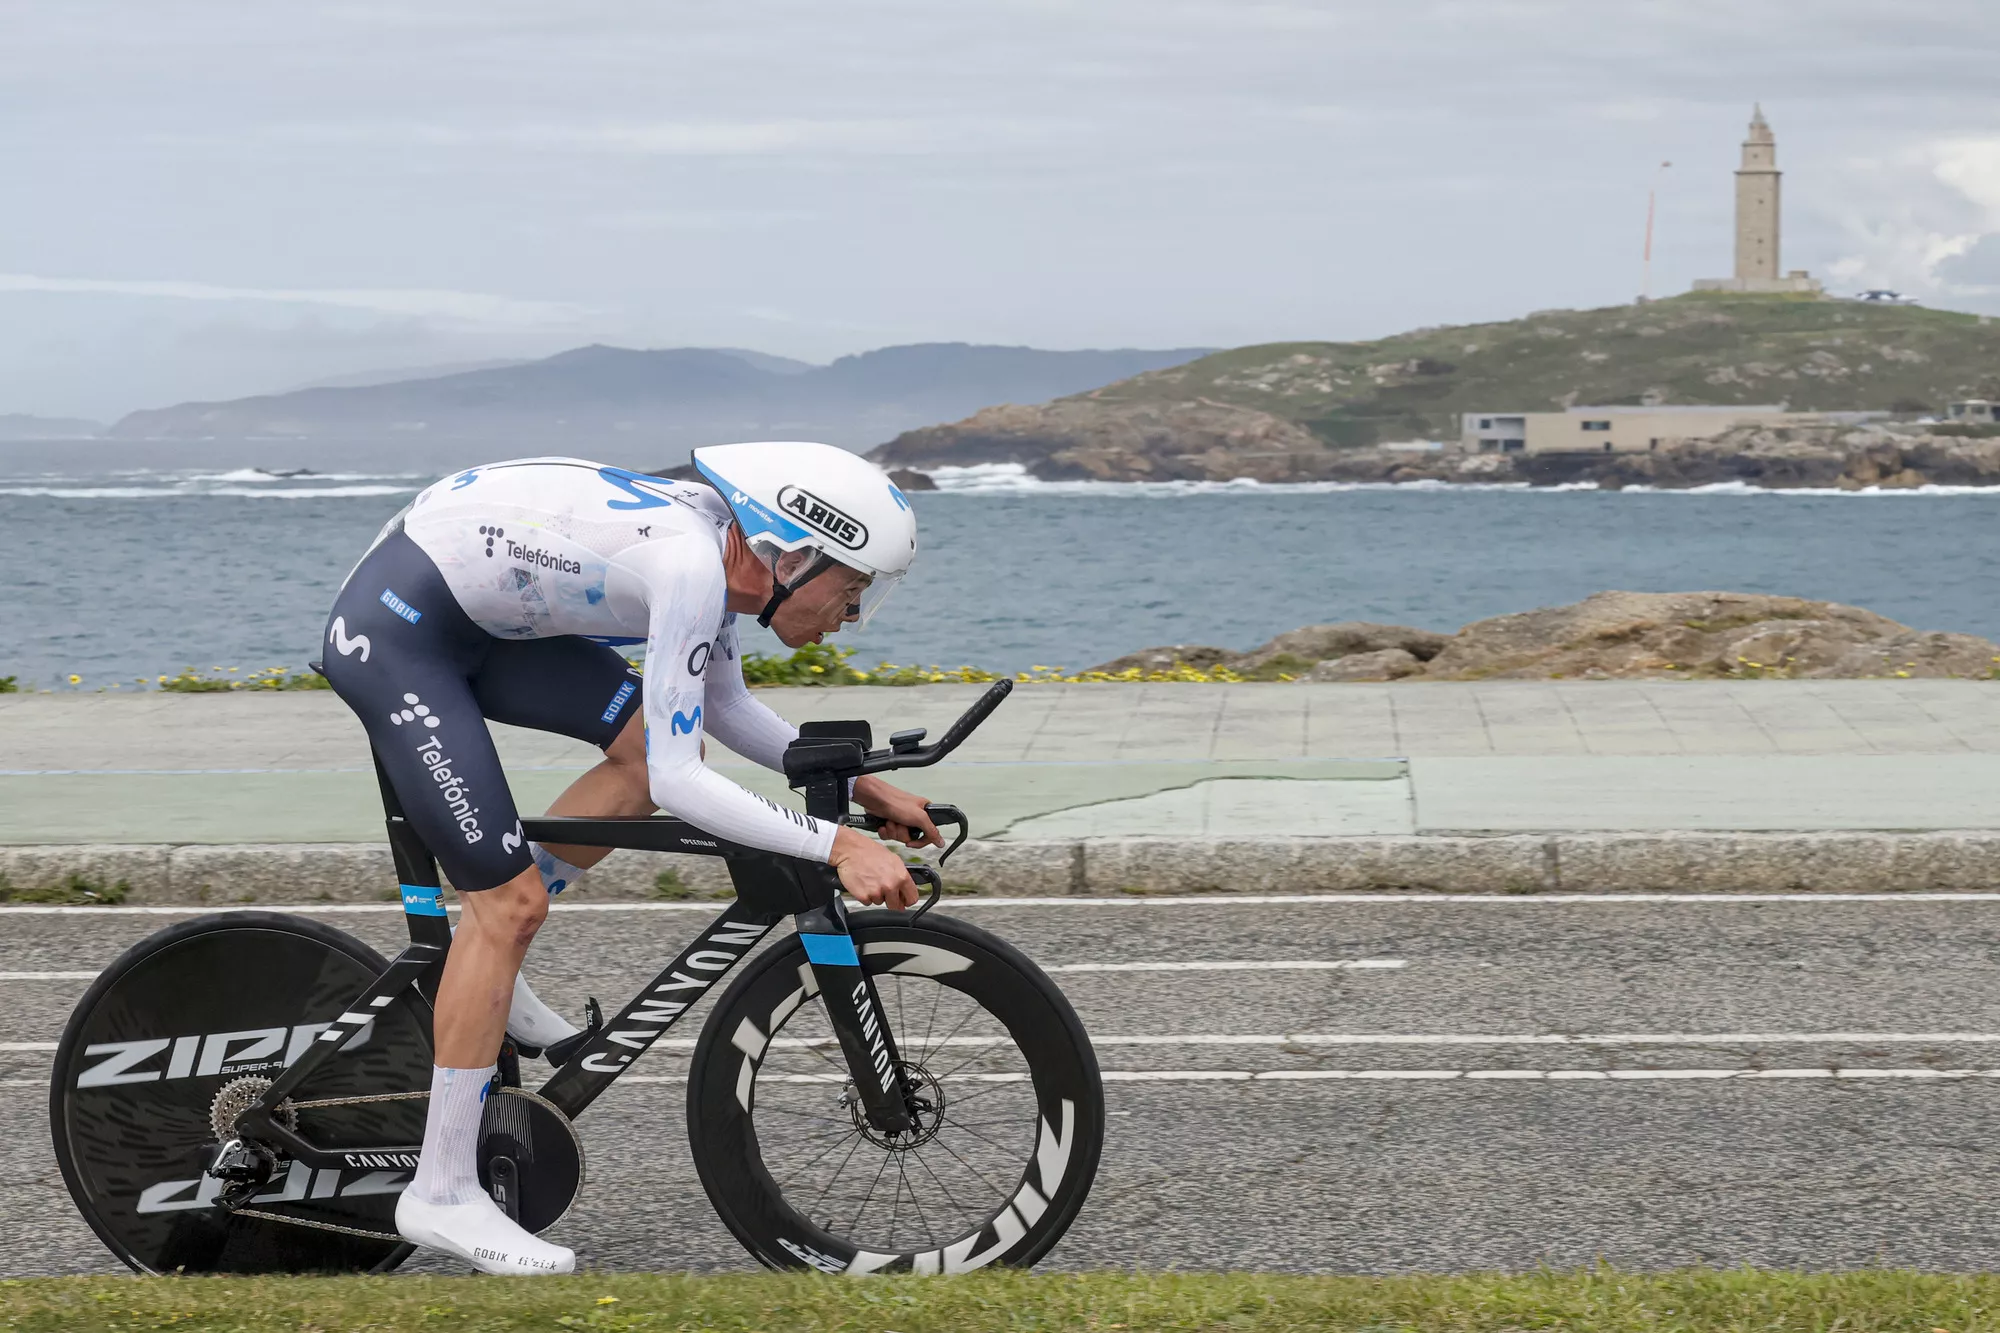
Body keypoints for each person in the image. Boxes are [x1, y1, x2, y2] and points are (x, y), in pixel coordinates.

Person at [319, 443, 938, 1274]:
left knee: (640, 760)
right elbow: (685, 783)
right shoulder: (690, 562)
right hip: (401, 631)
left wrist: (865, 789)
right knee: (508, 905)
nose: (853, 614)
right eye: (852, 588)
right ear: (797, 555)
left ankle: (486, 961)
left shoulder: (727, 556)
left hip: (479, 618)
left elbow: (723, 707)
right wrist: (837, 843)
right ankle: (441, 1188)